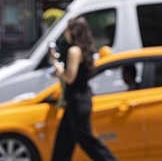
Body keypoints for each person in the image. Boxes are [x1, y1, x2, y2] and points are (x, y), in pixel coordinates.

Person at [50, 17, 117, 161]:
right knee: (63, 143)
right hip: (78, 101)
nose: (66, 34)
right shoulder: (84, 49)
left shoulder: (74, 50)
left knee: (88, 141)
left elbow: (70, 78)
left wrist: (57, 66)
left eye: (67, 30)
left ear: (74, 32)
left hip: (77, 102)